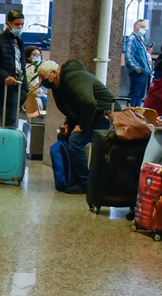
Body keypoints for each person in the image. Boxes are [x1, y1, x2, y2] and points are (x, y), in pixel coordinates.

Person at [34, 58, 115, 194]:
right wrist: (69, 125)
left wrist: (82, 126)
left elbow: (89, 103)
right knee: (64, 136)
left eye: (43, 77)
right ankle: (70, 178)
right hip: (93, 115)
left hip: (105, 116)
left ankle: (84, 182)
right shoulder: (59, 84)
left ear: (54, 73)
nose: (42, 81)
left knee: (75, 140)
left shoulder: (74, 77)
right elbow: (73, 108)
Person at [122, 19, 153, 108]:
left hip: (144, 71)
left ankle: (136, 111)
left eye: (145, 27)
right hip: (138, 71)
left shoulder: (141, 39)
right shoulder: (132, 39)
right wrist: (137, 68)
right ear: (135, 27)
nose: (144, 29)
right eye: (142, 27)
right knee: (135, 93)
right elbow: (129, 55)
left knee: (140, 94)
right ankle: (131, 112)